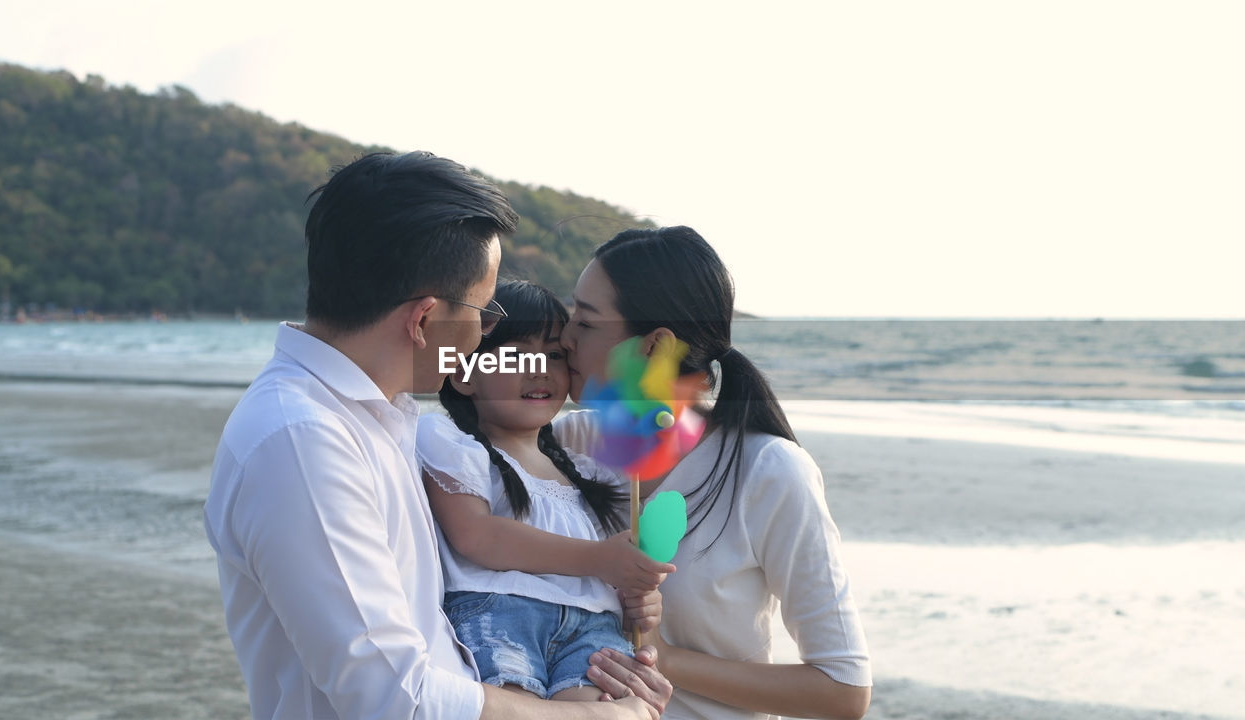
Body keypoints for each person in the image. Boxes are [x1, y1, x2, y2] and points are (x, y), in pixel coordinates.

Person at [203, 152, 672, 720]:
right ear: (425, 321)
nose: (484, 331)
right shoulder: (304, 441)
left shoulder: (380, 419)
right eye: (484, 308)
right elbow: (392, 695)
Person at [555, 226, 872, 720]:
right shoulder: (562, 445)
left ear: (656, 347)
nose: (563, 337)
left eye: (587, 323)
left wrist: (664, 656)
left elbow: (842, 690)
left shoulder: (769, 471)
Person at [419, 279, 676, 702]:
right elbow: (476, 536)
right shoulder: (449, 440)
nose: (539, 370)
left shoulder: (588, 474)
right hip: (501, 613)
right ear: (465, 376)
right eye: (517, 355)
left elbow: (612, 579)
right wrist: (598, 559)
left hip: (595, 628)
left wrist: (640, 599)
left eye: (554, 355)